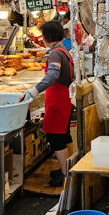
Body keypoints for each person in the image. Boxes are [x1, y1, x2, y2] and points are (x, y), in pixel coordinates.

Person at [23, 21, 74, 187]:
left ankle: (66, 175)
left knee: (56, 137)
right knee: (64, 135)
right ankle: (68, 168)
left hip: (58, 102)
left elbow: (52, 74)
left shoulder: (55, 54)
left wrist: (35, 90)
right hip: (64, 100)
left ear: (46, 36)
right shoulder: (62, 49)